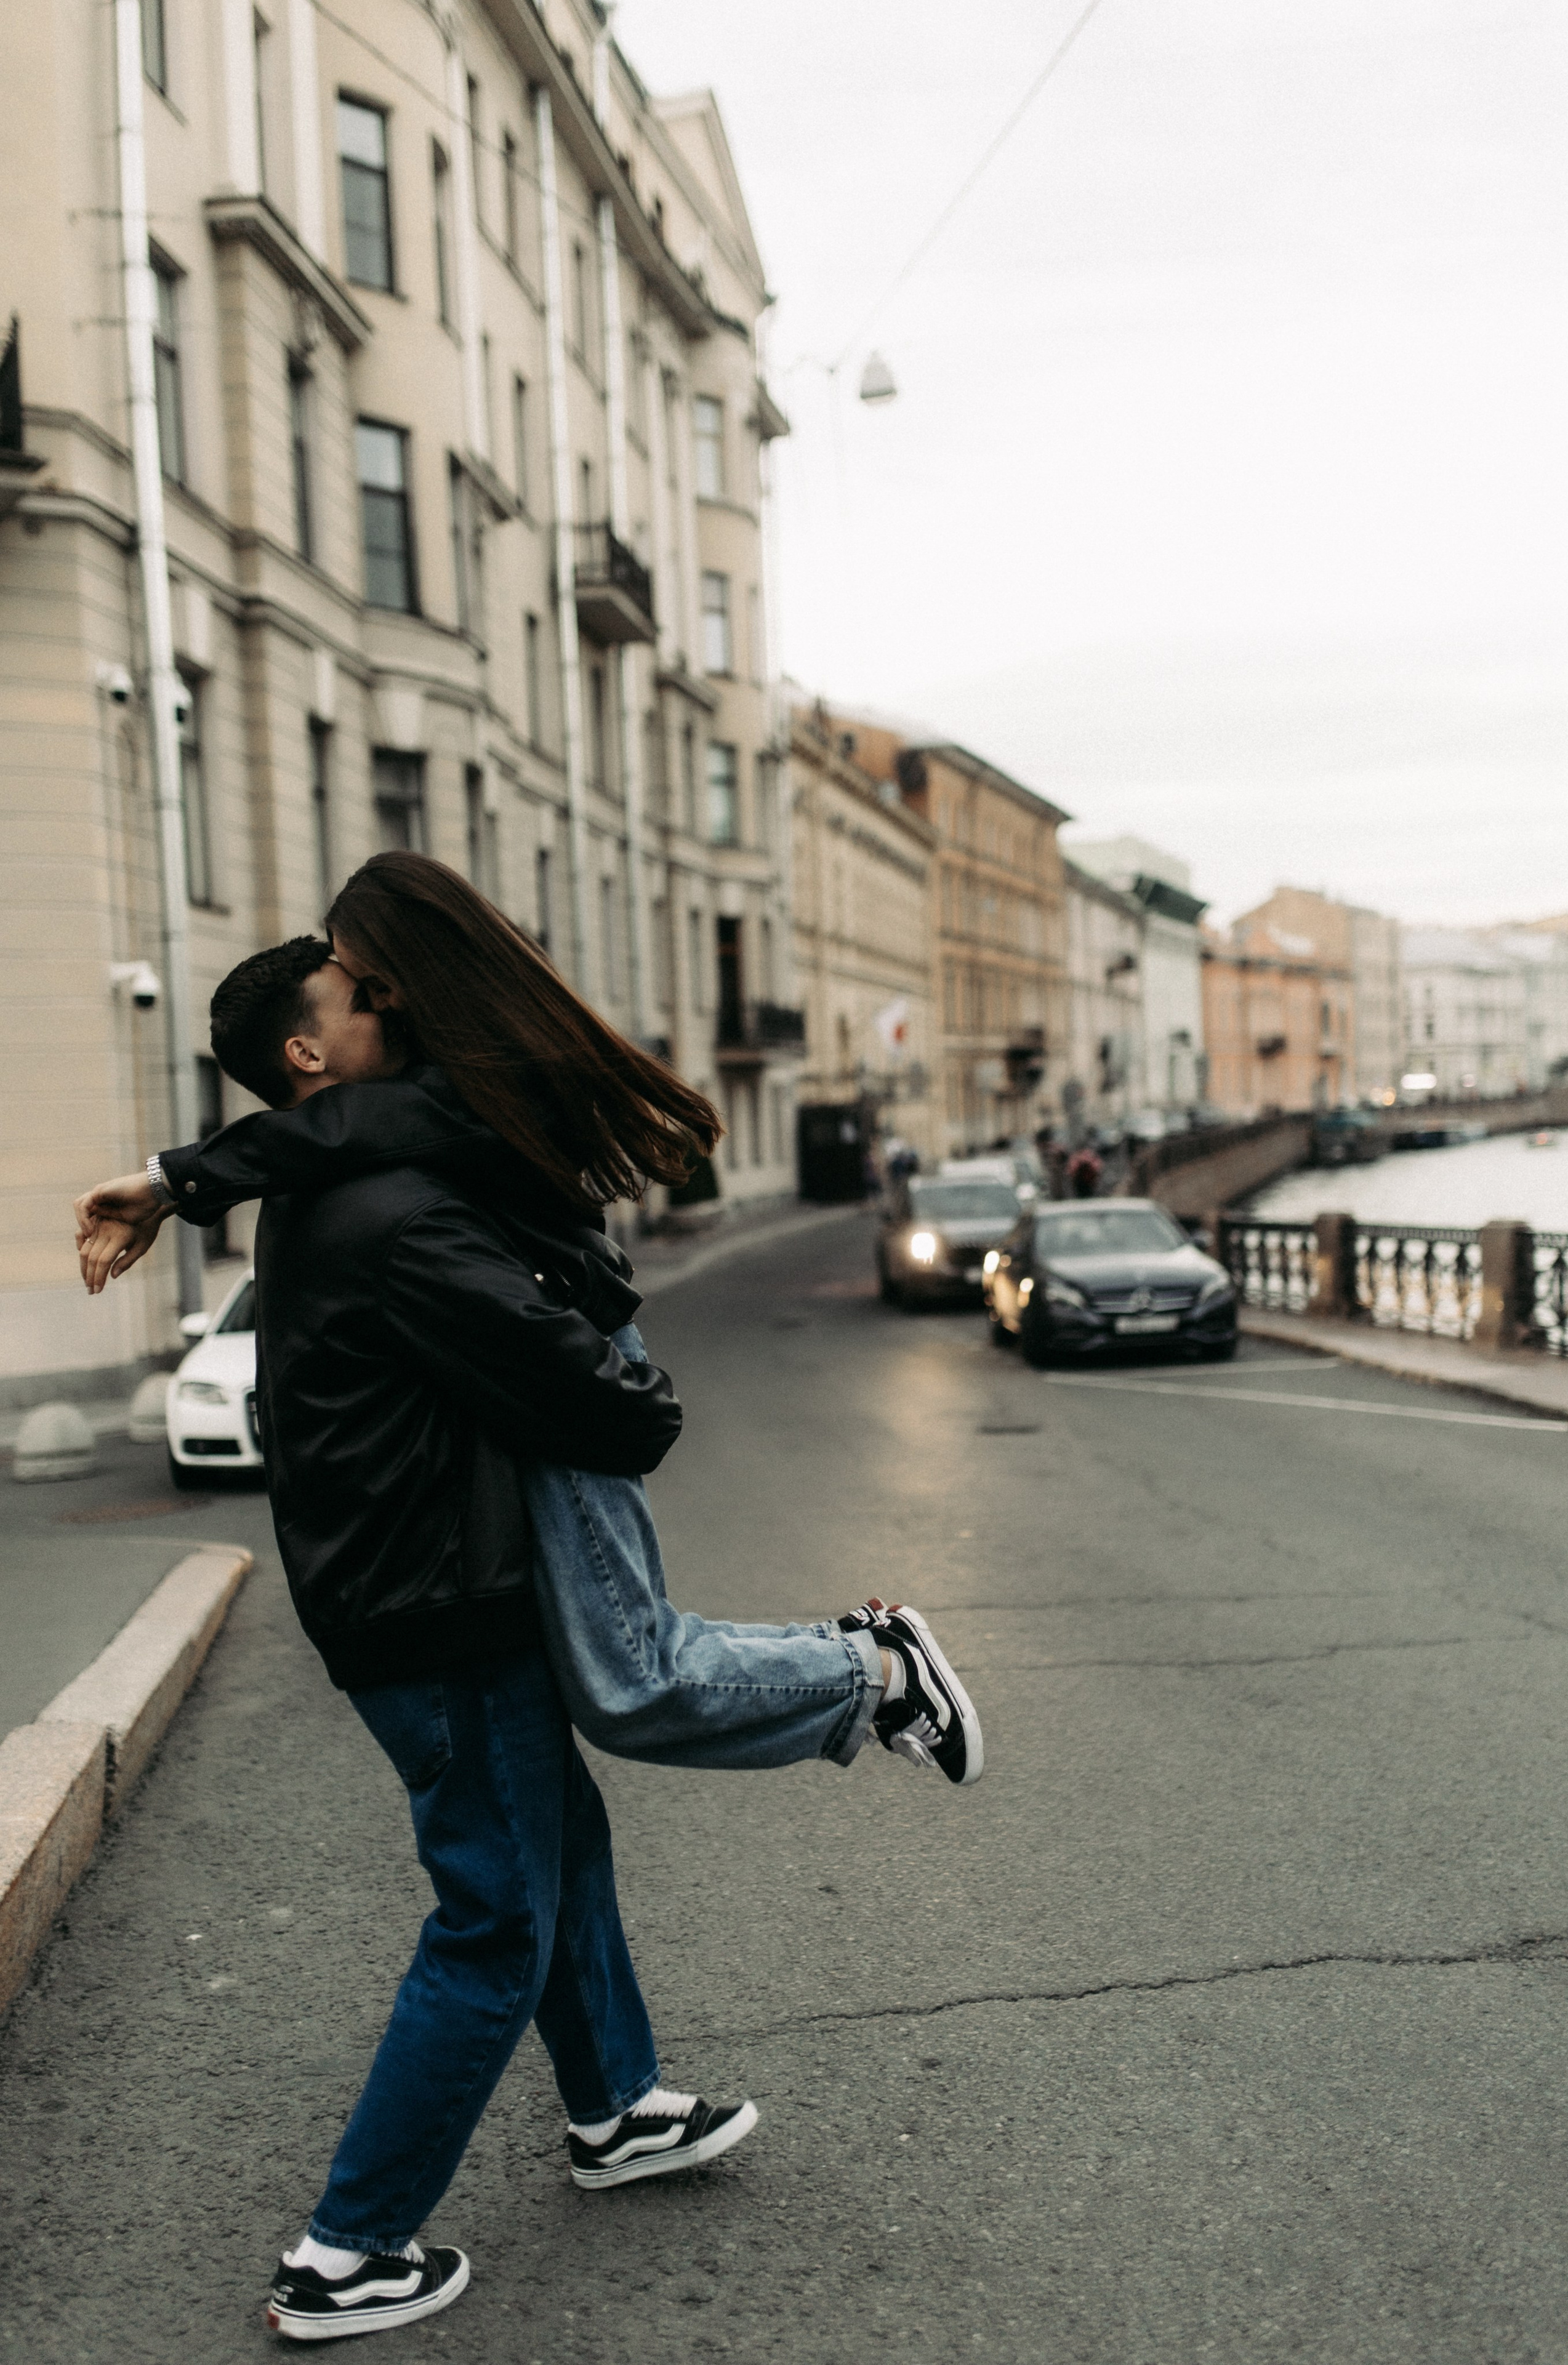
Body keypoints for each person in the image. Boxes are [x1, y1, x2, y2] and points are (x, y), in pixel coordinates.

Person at [74, 859, 982, 2342]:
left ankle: (617, 2104)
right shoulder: (385, 1209)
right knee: (495, 1915)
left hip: (406, 1598)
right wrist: (629, 1391)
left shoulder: (344, 1162)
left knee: (560, 1849)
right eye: (357, 992)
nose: (381, 999)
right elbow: (587, 1398)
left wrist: (187, 1173)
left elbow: (409, 1114)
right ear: (311, 1050)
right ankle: (350, 2249)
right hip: (437, 1614)